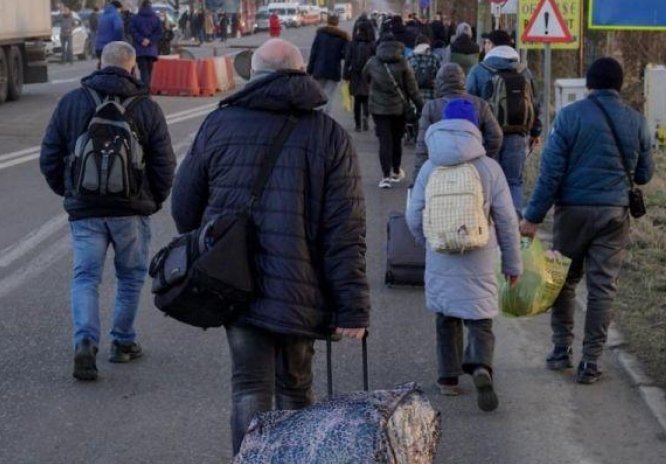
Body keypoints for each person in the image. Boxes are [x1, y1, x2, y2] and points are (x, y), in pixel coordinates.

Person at [170, 39, 370, 455]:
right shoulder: (329, 135)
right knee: (296, 389)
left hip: (234, 284)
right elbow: (345, 229)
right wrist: (351, 306)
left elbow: (184, 208)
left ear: (253, 75)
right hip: (302, 288)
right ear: (302, 74)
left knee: (248, 388)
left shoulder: (218, 124)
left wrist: (211, 249)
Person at [39, 41, 176, 382]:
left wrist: (69, 191)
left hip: (85, 210)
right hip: (131, 210)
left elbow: (49, 156)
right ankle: (123, 342)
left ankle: (85, 340)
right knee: (129, 277)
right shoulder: (147, 107)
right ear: (132, 68)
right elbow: (164, 164)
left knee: (86, 277)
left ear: (99, 63)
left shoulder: (72, 101)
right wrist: (153, 199)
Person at [519, 58, 654, 385]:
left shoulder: (569, 117)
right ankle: (591, 361)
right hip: (614, 214)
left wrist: (532, 217)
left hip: (572, 213)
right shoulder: (637, 121)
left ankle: (561, 349)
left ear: (589, 84)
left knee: (561, 279)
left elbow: (550, 174)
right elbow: (644, 174)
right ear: (620, 85)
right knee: (602, 287)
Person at [406, 99, 521, 412]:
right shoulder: (489, 167)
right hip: (479, 254)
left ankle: (448, 379)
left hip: (441, 251)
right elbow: (508, 220)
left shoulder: (431, 166)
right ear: (475, 128)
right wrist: (512, 263)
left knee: (446, 317)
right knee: (480, 318)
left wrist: (427, 240)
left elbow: (414, 214)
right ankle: (481, 365)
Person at [466, 29, 542, 213]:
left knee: (487, 180)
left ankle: (488, 224)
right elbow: (534, 103)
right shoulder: (524, 71)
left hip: (487, 136)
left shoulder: (479, 70)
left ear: (491, 45)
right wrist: (535, 132)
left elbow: (469, 103)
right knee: (514, 181)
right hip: (517, 134)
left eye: (486, 43)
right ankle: (514, 226)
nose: (484, 46)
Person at [414, 63, 502, 182]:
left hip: (440, 168)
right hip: (473, 167)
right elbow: (496, 136)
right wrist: (482, 155)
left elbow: (422, 146)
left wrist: (418, 176)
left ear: (439, 82)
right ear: (463, 81)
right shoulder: (480, 104)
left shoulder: (431, 107)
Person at [363, 33, 424, 189]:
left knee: (384, 141)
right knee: (396, 140)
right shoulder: (403, 63)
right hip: (399, 108)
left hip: (378, 108)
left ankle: (385, 176)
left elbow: (365, 77)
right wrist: (420, 105)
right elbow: (412, 88)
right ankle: (396, 170)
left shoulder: (372, 62)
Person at [307, 14, 349, 116]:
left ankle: (318, 115)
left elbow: (313, 53)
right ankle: (326, 117)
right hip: (333, 70)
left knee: (318, 94)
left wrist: (309, 70)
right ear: (337, 23)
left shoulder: (320, 34)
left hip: (319, 69)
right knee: (329, 95)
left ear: (328, 21)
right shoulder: (343, 37)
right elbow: (346, 55)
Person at [343, 17, 377, 132]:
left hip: (355, 74)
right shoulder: (372, 44)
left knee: (357, 100)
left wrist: (345, 74)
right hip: (368, 75)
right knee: (366, 98)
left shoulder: (353, 43)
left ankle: (357, 124)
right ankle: (365, 116)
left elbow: (347, 59)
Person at [129, 1, 163, 87]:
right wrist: (150, 40)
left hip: (139, 48)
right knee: (149, 69)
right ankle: (147, 87)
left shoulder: (135, 18)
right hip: (151, 49)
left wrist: (141, 40)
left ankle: (145, 88)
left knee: (143, 69)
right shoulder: (155, 18)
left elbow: (132, 31)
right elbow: (159, 32)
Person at [407, 35, 441, 102]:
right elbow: (440, 78)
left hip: (414, 97)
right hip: (431, 97)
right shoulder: (435, 58)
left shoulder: (410, 57)